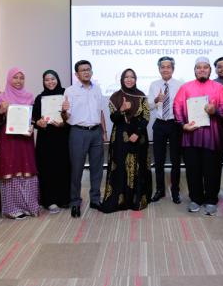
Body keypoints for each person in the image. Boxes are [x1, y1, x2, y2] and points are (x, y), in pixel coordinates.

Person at [173, 56, 223, 215]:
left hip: (212, 138)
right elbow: (177, 106)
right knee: (193, 170)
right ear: (194, 70)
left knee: (212, 170)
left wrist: (215, 110)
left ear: (210, 70)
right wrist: (182, 124)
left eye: (205, 67)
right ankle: (196, 198)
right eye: (198, 67)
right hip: (190, 136)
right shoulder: (185, 88)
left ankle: (211, 199)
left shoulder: (218, 88)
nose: (202, 70)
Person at [101, 69, 152, 212]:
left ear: (136, 79)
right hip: (120, 136)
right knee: (121, 166)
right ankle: (121, 200)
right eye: (126, 77)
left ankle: (136, 199)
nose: (129, 79)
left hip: (139, 136)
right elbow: (113, 118)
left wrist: (137, 133)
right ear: (122, 79)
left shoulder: (141, 96)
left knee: (138, 166)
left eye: (132, 77)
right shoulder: (115, 96)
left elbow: (146, 116)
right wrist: (122, 109)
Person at [63, 60, 107, 218]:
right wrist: (63, 111)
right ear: (77, 74)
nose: (86, 72)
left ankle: (95, 199)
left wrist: (104, 131)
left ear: (92, 71)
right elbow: (65, 117)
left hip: (96, 132)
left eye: (88, 69)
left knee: (97, 168)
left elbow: (100, 111)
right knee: (77, 169)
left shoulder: (97, 89)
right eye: (83, 70)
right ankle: (75, 201)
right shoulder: (70, 91)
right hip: (78, 132)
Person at [0, 67, 41, 219]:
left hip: (24, 139)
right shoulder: (1, 98)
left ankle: (29, 206)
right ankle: (12, 208)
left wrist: (32, 125)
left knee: (26, 167)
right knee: (11, 167)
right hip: (8, 139)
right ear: (9, 79)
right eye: (15, 77)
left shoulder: (29, 96)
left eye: (21, 78)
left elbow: (33, 118)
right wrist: (1, 112)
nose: (18, 81)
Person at [32, 70, 71, 213]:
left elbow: (73, 116)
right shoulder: (39, 98)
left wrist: (64, 123)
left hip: (63, 138)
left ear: (57, 79)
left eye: (53, 79)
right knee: (47, 169)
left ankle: (64, 198)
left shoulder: (66, 94)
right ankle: (50, 200)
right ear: (43, 82)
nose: (50, 82)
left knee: (64, 167)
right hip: (46, 139)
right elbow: (34, 118)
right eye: (47, 80)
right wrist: (39, 123)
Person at [148, 56, 182, 204]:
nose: (165, 69)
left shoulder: (180, 85)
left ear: (173, 69)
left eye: (168, 67)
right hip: (160, 124)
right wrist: (156, 100)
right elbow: (148, 106)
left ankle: (175, 191)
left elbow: (183, 105)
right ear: (159, 69)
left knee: (175, 160)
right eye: (163, 67)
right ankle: (160, 190)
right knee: (159, 160)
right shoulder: (154, 84)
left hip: (175, 124)